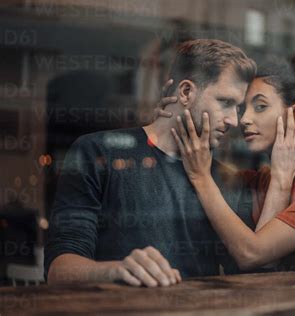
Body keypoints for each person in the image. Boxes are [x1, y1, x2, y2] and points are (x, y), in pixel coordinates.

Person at [45, 39, 257, 287]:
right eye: (225, 102)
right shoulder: (97, 153)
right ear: (186, 92)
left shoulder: (227, 179)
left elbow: (249, 270)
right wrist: (117, 270)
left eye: (238, 107)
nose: (234, 120)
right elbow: (58, 271)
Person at [169, 58, 295, 271]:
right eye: (243, 109)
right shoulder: (253, 182)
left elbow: (252, 256)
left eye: (260, 106)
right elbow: (256, 271)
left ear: (294, 113)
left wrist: (201, 178)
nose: (244, 119)